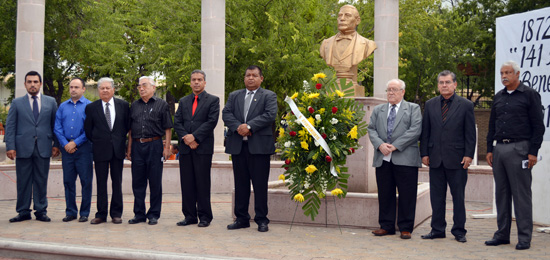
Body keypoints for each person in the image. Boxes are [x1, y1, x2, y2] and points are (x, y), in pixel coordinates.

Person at [485, 61, 545, 250]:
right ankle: (502, 234)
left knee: (521, 195)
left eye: (508, 72)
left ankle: (524, 237)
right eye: (502, 73)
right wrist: (489, 149)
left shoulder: (529, 95)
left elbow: (538, 126)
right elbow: (492, 124)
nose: (504, 76)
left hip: (520, 148)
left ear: (517, 74)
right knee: (501, 194)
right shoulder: (498, 97)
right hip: (500, 150)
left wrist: (533, 152)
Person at [419, 70, 476, 243]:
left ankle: (459, 231)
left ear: (455, 84)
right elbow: (425, 131)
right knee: (437, 197)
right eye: (441, 82)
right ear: (438, 85)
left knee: (458, 197)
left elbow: (470, 133)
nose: (444, 85)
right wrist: (424, 153)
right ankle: (437, 229)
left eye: (447, 82)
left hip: (458, 159)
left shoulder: (466, 105)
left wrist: (469, 155)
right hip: (435, 159)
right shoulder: (430, 104)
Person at [222, 65, 277, 232]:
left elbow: (270, 115)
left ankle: (261, 219)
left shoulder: (269, 95)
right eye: (248, 75)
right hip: (239, 146)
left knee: (260, 185)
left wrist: (250, 126)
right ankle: (241, 218)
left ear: (261, 78)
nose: (250, 78)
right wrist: (239, 127)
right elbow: (226, 114)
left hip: (259, 147)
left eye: (254, 75)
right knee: (241, 184)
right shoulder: (234, 95)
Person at [367, 79, 422, 239]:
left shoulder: (413, 108)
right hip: (383, 158)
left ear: (403, 92)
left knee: (407, 193)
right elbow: (371, 129)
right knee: (385, 193)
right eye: (389, 89)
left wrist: (395, 145)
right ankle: (386, 226)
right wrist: (379, 145)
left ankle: (406, 227)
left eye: (395, 89)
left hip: (405, 157)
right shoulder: (378, 110)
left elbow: (415, 130)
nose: (391, 92)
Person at [6, 71, 60, 223]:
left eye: (35, 82)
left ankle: (41, 210)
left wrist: (56, 144)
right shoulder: (17, 103)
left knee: (41, 180)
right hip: (23, 148)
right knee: (23, 181)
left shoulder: (50, 102)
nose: (32, 85)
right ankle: (23, 211)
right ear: (25, 84)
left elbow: (55, 125)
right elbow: (10, 126)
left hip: (43, 147)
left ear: (40, 84)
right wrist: (10, 146)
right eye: (29, 82)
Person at [174, 70, 220, 227]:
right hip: (186, 148)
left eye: (199, 79)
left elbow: (211, 122)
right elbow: (177, 122)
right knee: (186, 183)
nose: (196, 82)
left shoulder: (213, 100)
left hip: (203, 148)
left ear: (204, 82)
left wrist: (195, 137)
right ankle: (189, 216)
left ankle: (205, 216)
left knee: (202, 183)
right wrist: (186, 138)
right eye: (193, 79)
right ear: (190, 82)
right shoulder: (184, 100)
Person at [126, 76, 173, 225]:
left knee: (155, 181)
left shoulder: (162, 104)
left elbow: (167, 128)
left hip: (155, 145)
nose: (141, 88)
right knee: (138, 182)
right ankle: (139, 214)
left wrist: (166, 148)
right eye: (139, 86)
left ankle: (153, 214)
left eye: (144, 85)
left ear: (153, 87)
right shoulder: (134, 105)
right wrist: (129, 149)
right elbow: (130, 130)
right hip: (137, 147)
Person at [84, 77, 130, 225]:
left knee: (117, 182)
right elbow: (88, 130)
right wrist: (99, 141)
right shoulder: (91, 108)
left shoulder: (123, 105)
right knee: (101, 183)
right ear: (98, 91)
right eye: (102, 88)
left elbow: (127, 126)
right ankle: (101, 214)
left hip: (117, 150)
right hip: (100, 150)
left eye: (107, 88)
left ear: (113, 90)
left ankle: (116, 214)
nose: (105, 90)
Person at [54, 77, 93, 223]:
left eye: (76, 87)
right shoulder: (62, 107)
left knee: (86, 181)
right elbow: (57, 127)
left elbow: (90, 129)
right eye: (71, 87)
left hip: (83, 149)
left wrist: (75, 143)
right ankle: (70, 212)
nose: (73, 90)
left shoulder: (90, 106)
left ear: (83, 89)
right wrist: (65, 144)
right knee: (68, 182)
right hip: (67, 151)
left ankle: (84, 212)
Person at [319, 4, 377, 96]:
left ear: (357, 20)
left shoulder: (367, 44)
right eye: (339, 15)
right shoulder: (326, 44)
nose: (342, 19)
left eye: (347, 15)